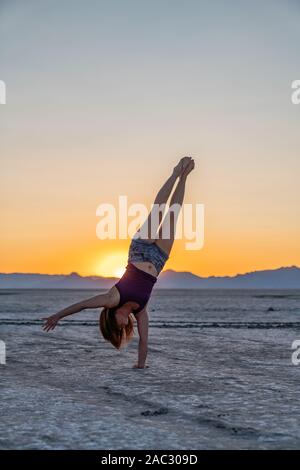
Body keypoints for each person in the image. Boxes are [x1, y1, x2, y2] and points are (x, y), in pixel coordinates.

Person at [43, 156, 195, 368]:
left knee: (159, 210)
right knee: (173, 215)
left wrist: (57, 316)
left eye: (118, 327)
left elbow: (83, 305)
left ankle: (175, 172)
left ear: (111, 319)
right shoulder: (140, 310)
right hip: (159, 260)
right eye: (122, 329)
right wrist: (141, 366)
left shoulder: (112, 299)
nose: (124, 326)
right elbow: (144, 341)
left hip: (139, 251)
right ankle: (185, 177)